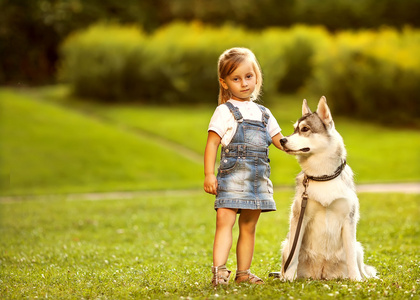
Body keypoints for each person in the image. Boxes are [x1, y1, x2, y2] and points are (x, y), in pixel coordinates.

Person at [204, 47, 284, 286]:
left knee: (248, 227)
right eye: (236, 79)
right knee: (224, 224)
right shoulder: (224, 111)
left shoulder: (264, 113)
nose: (244, 83)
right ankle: (219, 273)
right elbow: (212, 144)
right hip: (231, 178)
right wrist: (209, 174)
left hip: (257, 180)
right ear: (224, 82)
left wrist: (303, 145)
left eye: (248, 76)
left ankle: (243, 273)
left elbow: (280, 140)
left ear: (256, 76)